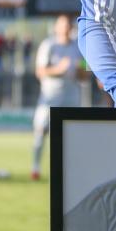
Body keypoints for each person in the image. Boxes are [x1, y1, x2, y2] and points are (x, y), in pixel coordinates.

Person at [31, 14, 84, 180]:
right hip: (50, 96)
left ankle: (70, 171)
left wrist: (79, 70)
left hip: (72, 95)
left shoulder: (79, 47)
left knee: (72, 135)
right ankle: (36, 167)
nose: (66, 28)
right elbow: (40, 71)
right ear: (56, 28)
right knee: (40, 130)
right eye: (63, 25)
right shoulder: (49, 45)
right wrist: (58, 69)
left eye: (69, 25)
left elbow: (85, 74)